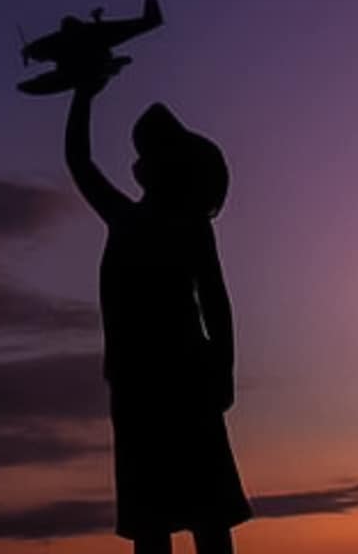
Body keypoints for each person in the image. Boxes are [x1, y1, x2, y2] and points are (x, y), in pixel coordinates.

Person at [64, 75, 252, 554]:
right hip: (142, 387)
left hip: (180, 383)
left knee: (200, 520)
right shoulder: (128, 219)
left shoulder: (180, 225)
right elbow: (79, 163)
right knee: (163, 524)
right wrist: (83, 94)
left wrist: (224, 372)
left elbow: (216, 300)